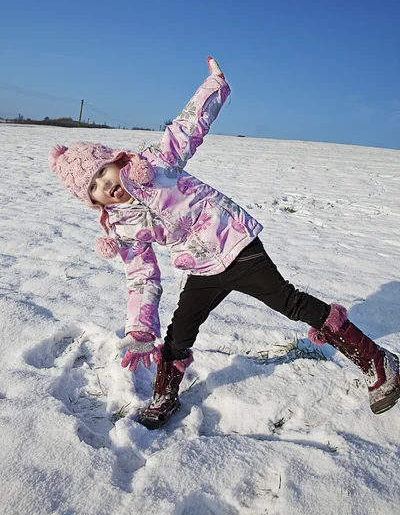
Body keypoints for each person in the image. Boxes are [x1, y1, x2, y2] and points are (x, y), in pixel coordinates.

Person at [49, 57, 400, 429]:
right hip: (199, 266)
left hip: (236, 245)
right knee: (179, 331)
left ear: (116, 160)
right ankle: (165, 394)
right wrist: (139, 329)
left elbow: (186, 129)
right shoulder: (122, 227)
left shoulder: (156, 166)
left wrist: (213, 87)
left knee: (289, 301)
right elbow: (141, 277)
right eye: (94, 188)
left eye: (103, 172)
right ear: (95, 203)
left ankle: (376, 360)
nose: (106, 184)